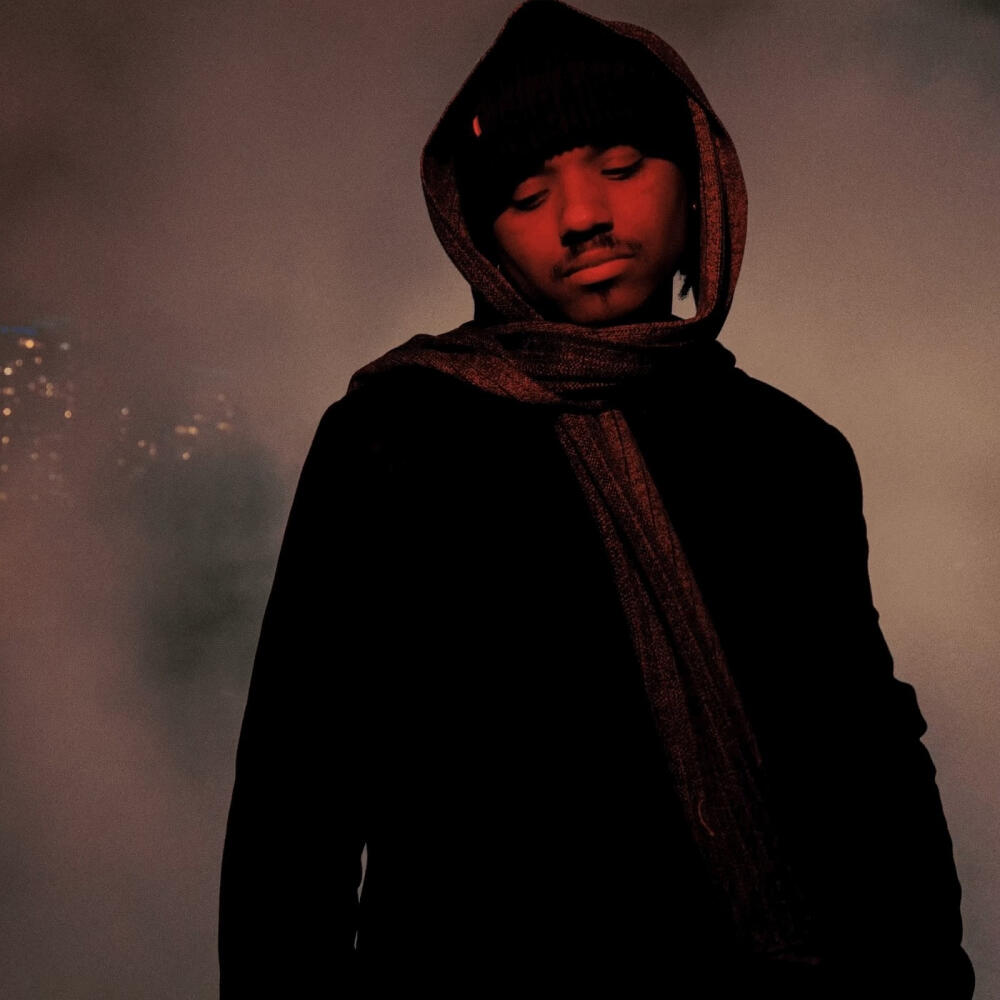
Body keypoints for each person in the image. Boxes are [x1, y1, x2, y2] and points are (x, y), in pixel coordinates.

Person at [218, 1, 975, 996]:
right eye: (528, 194)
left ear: (697, 184)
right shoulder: (396, 440)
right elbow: (298, 795)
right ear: (480, 237)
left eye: (620, 167)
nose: (582, 218)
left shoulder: (789, 453)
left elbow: (868, 763)